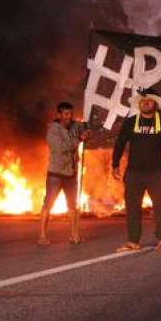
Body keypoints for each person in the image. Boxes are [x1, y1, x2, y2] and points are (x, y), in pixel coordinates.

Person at [112, 88, 161, 254]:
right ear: (139, 104)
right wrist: (114, 165)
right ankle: (133, 241)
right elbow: (120, 143)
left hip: (156, 172)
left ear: (155, 104)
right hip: (134, 172)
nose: (145, 103)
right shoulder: (130, 123)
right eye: (143, 101)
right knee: (133, 207)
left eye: (149, 101)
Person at [38, 102, 89, 245]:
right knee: (48, 204)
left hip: (71, 174)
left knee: (72, 205)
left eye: (70, 113)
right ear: (59, 115)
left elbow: (84, 126)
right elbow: (61, 148)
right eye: (66, 114)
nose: (69, 117)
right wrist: (78, 139)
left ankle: (74, 235)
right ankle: (42, 235)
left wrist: (86, 131)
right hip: (56, 173)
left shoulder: (74, 125)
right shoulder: (53, 131)